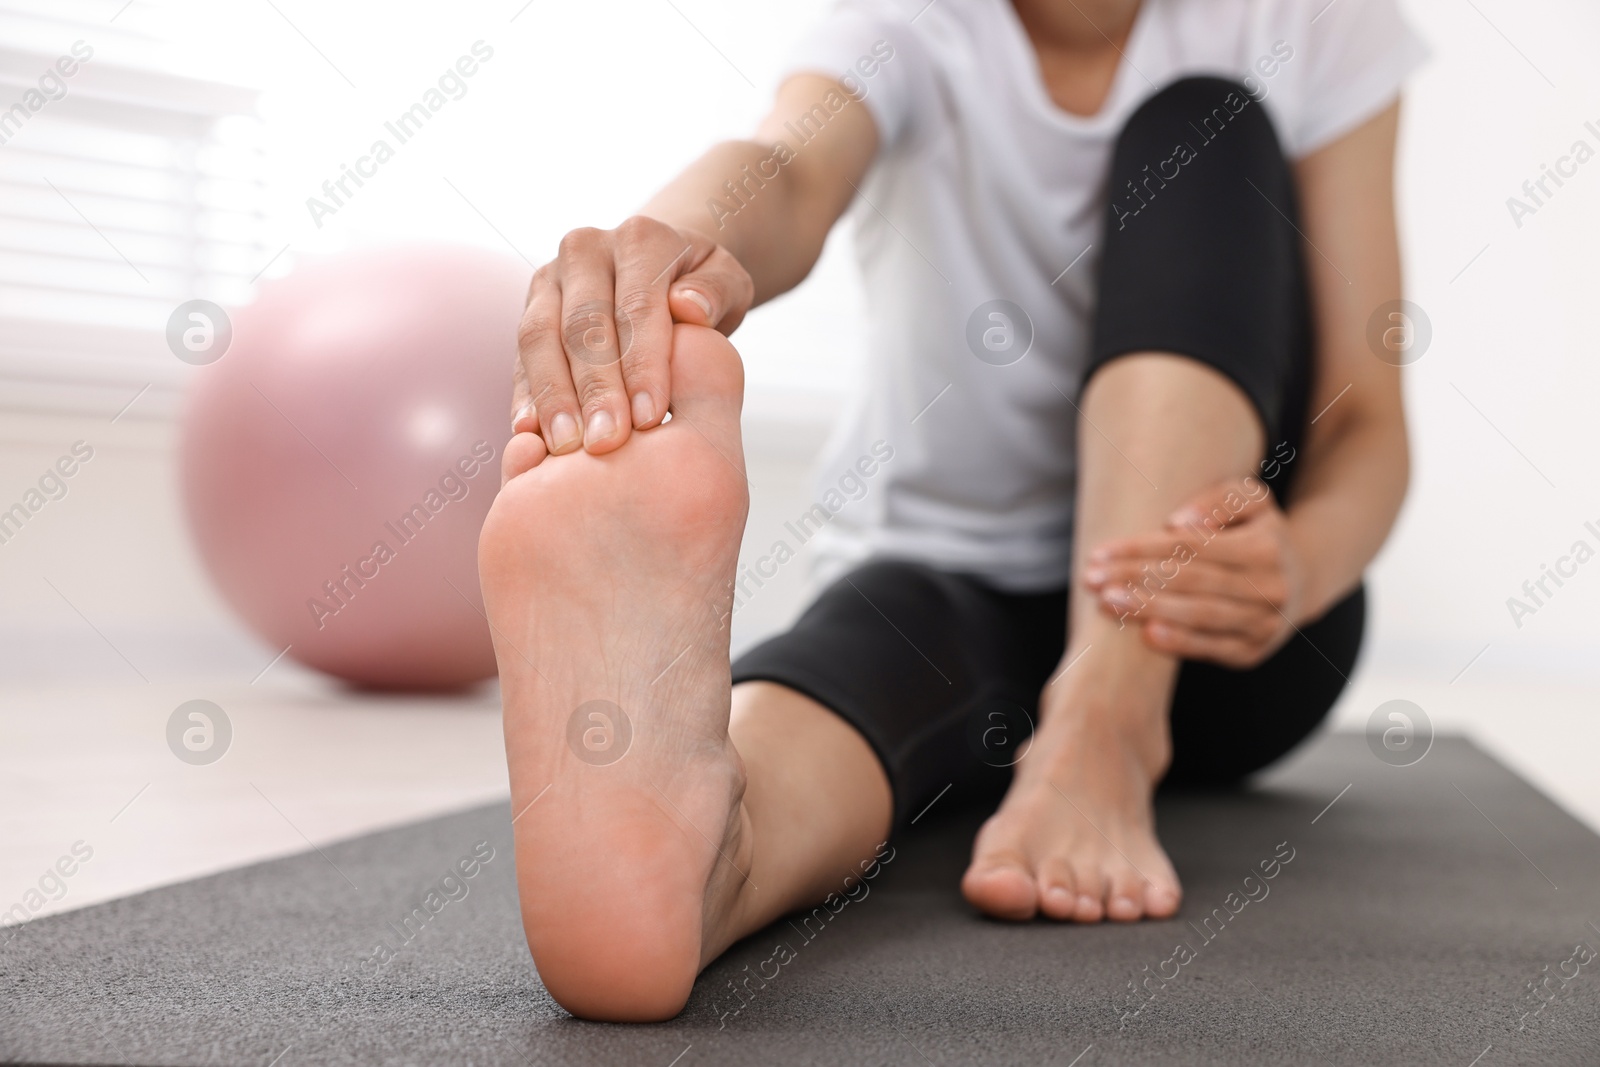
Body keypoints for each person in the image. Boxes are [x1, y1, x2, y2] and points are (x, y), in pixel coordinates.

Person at [477, 0, 1424, 1022]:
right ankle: (701, 861)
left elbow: (1364, 425)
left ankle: (1105, 720)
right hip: (945, 579)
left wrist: (1302, 565)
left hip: (1216, 631)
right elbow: (785, 171)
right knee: (847, 671)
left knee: (1201, 125)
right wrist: (669, 247)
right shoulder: (914, 20)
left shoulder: (1314, 17)